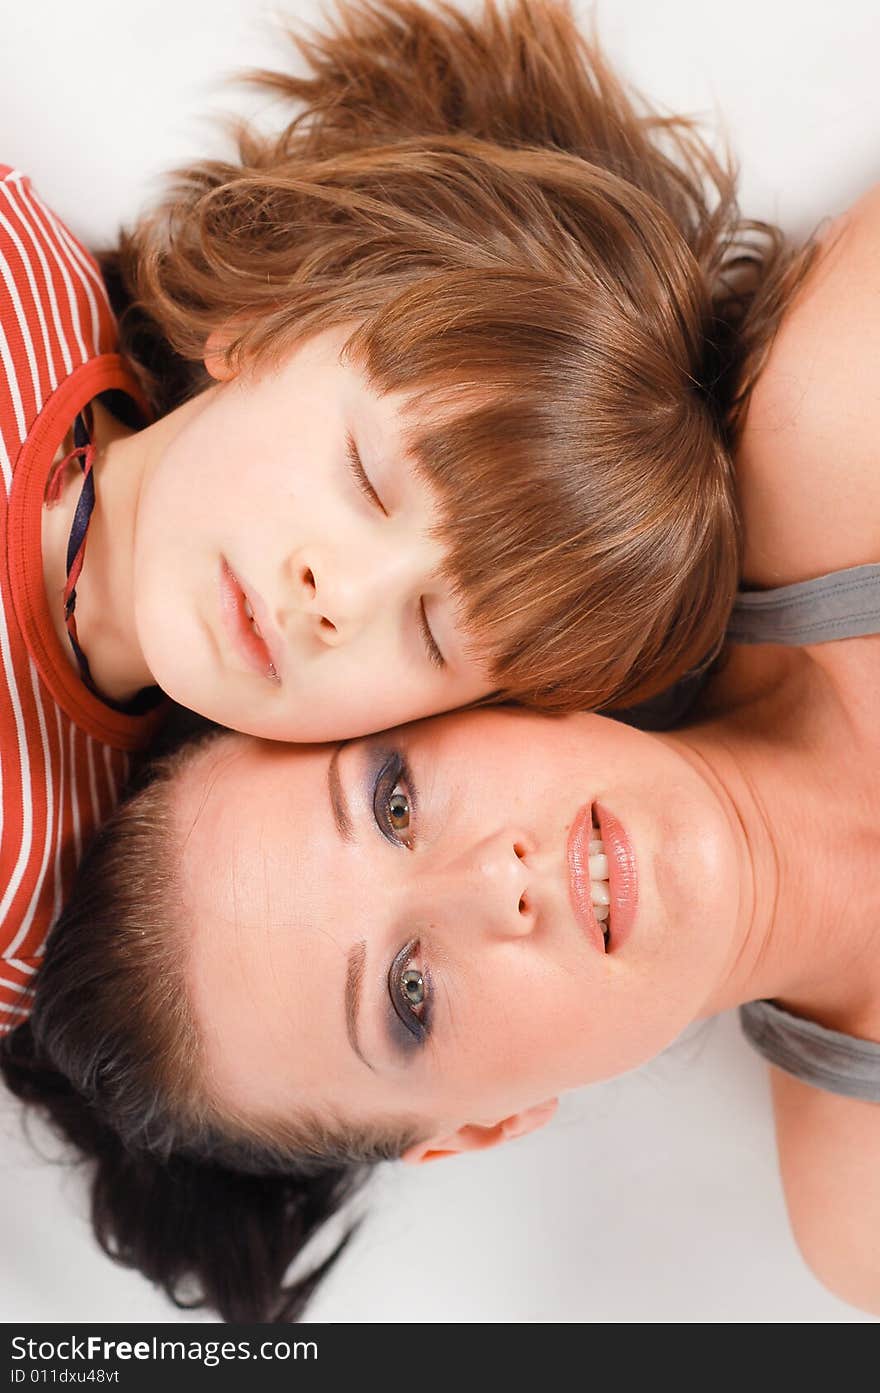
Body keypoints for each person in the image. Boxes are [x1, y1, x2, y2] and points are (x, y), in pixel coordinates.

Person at [6, 172, 880, 1322]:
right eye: (411, 995)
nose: (491, 879)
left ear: (473, 693)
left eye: (395, 801)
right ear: (477, 1131)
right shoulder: (857, 1219)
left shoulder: (842, 422)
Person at [2, 0, 794, 1029]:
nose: (340, 598)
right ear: (262, 321)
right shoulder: (19, 279)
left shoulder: (37, 881)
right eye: (368, 477)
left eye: (429, 632)